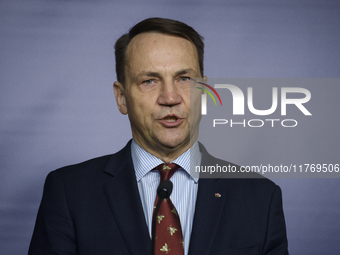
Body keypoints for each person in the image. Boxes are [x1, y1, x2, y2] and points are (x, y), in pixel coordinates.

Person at [29, 17, 289, 255]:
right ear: (122, 98)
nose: (170, 98)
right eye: (149, 81)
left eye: (184, 78)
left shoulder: (261, 197)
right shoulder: (69, 192)